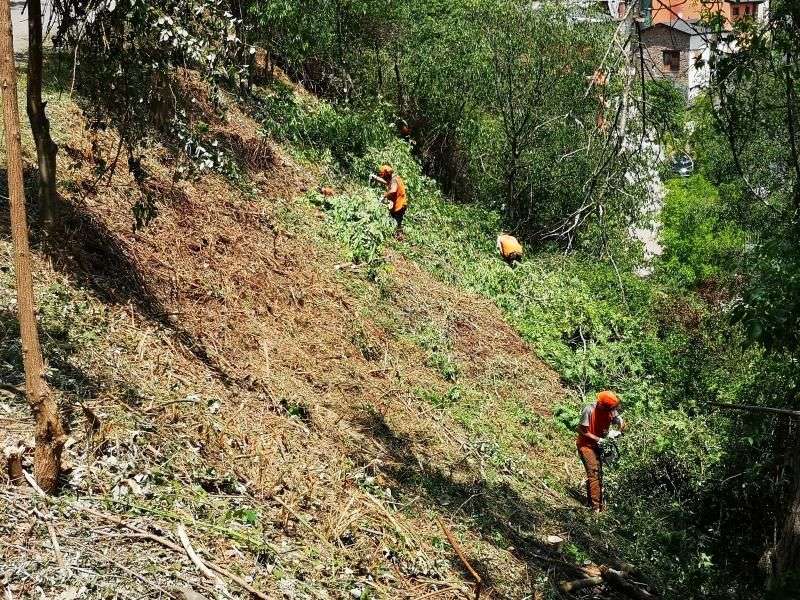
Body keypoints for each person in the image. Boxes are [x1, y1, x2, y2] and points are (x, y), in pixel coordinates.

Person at [576, 390, 626, 512]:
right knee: (594, 474)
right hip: (586, 445)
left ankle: (592, 503)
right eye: (610, 408)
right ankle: (596, 508)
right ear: (602, 405)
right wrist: (599, 439)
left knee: (597, 475)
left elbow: (619, 421)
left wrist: (619, 430)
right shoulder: (589, 410)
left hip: (598, 446)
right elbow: (582, 430)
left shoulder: (611, 410)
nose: (612, 411)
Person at [372, 165, 407, 238]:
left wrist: (384, 196)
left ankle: (399, 238)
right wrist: (375, 178)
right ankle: (396, 236)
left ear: (387, 174)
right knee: (394, 221)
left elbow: (393, 190)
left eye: (384, 176)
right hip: (399, 204)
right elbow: (386, 182)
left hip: (399, 205)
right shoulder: (394, 178)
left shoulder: (394, 180)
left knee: (397, 223)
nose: (383, 178)